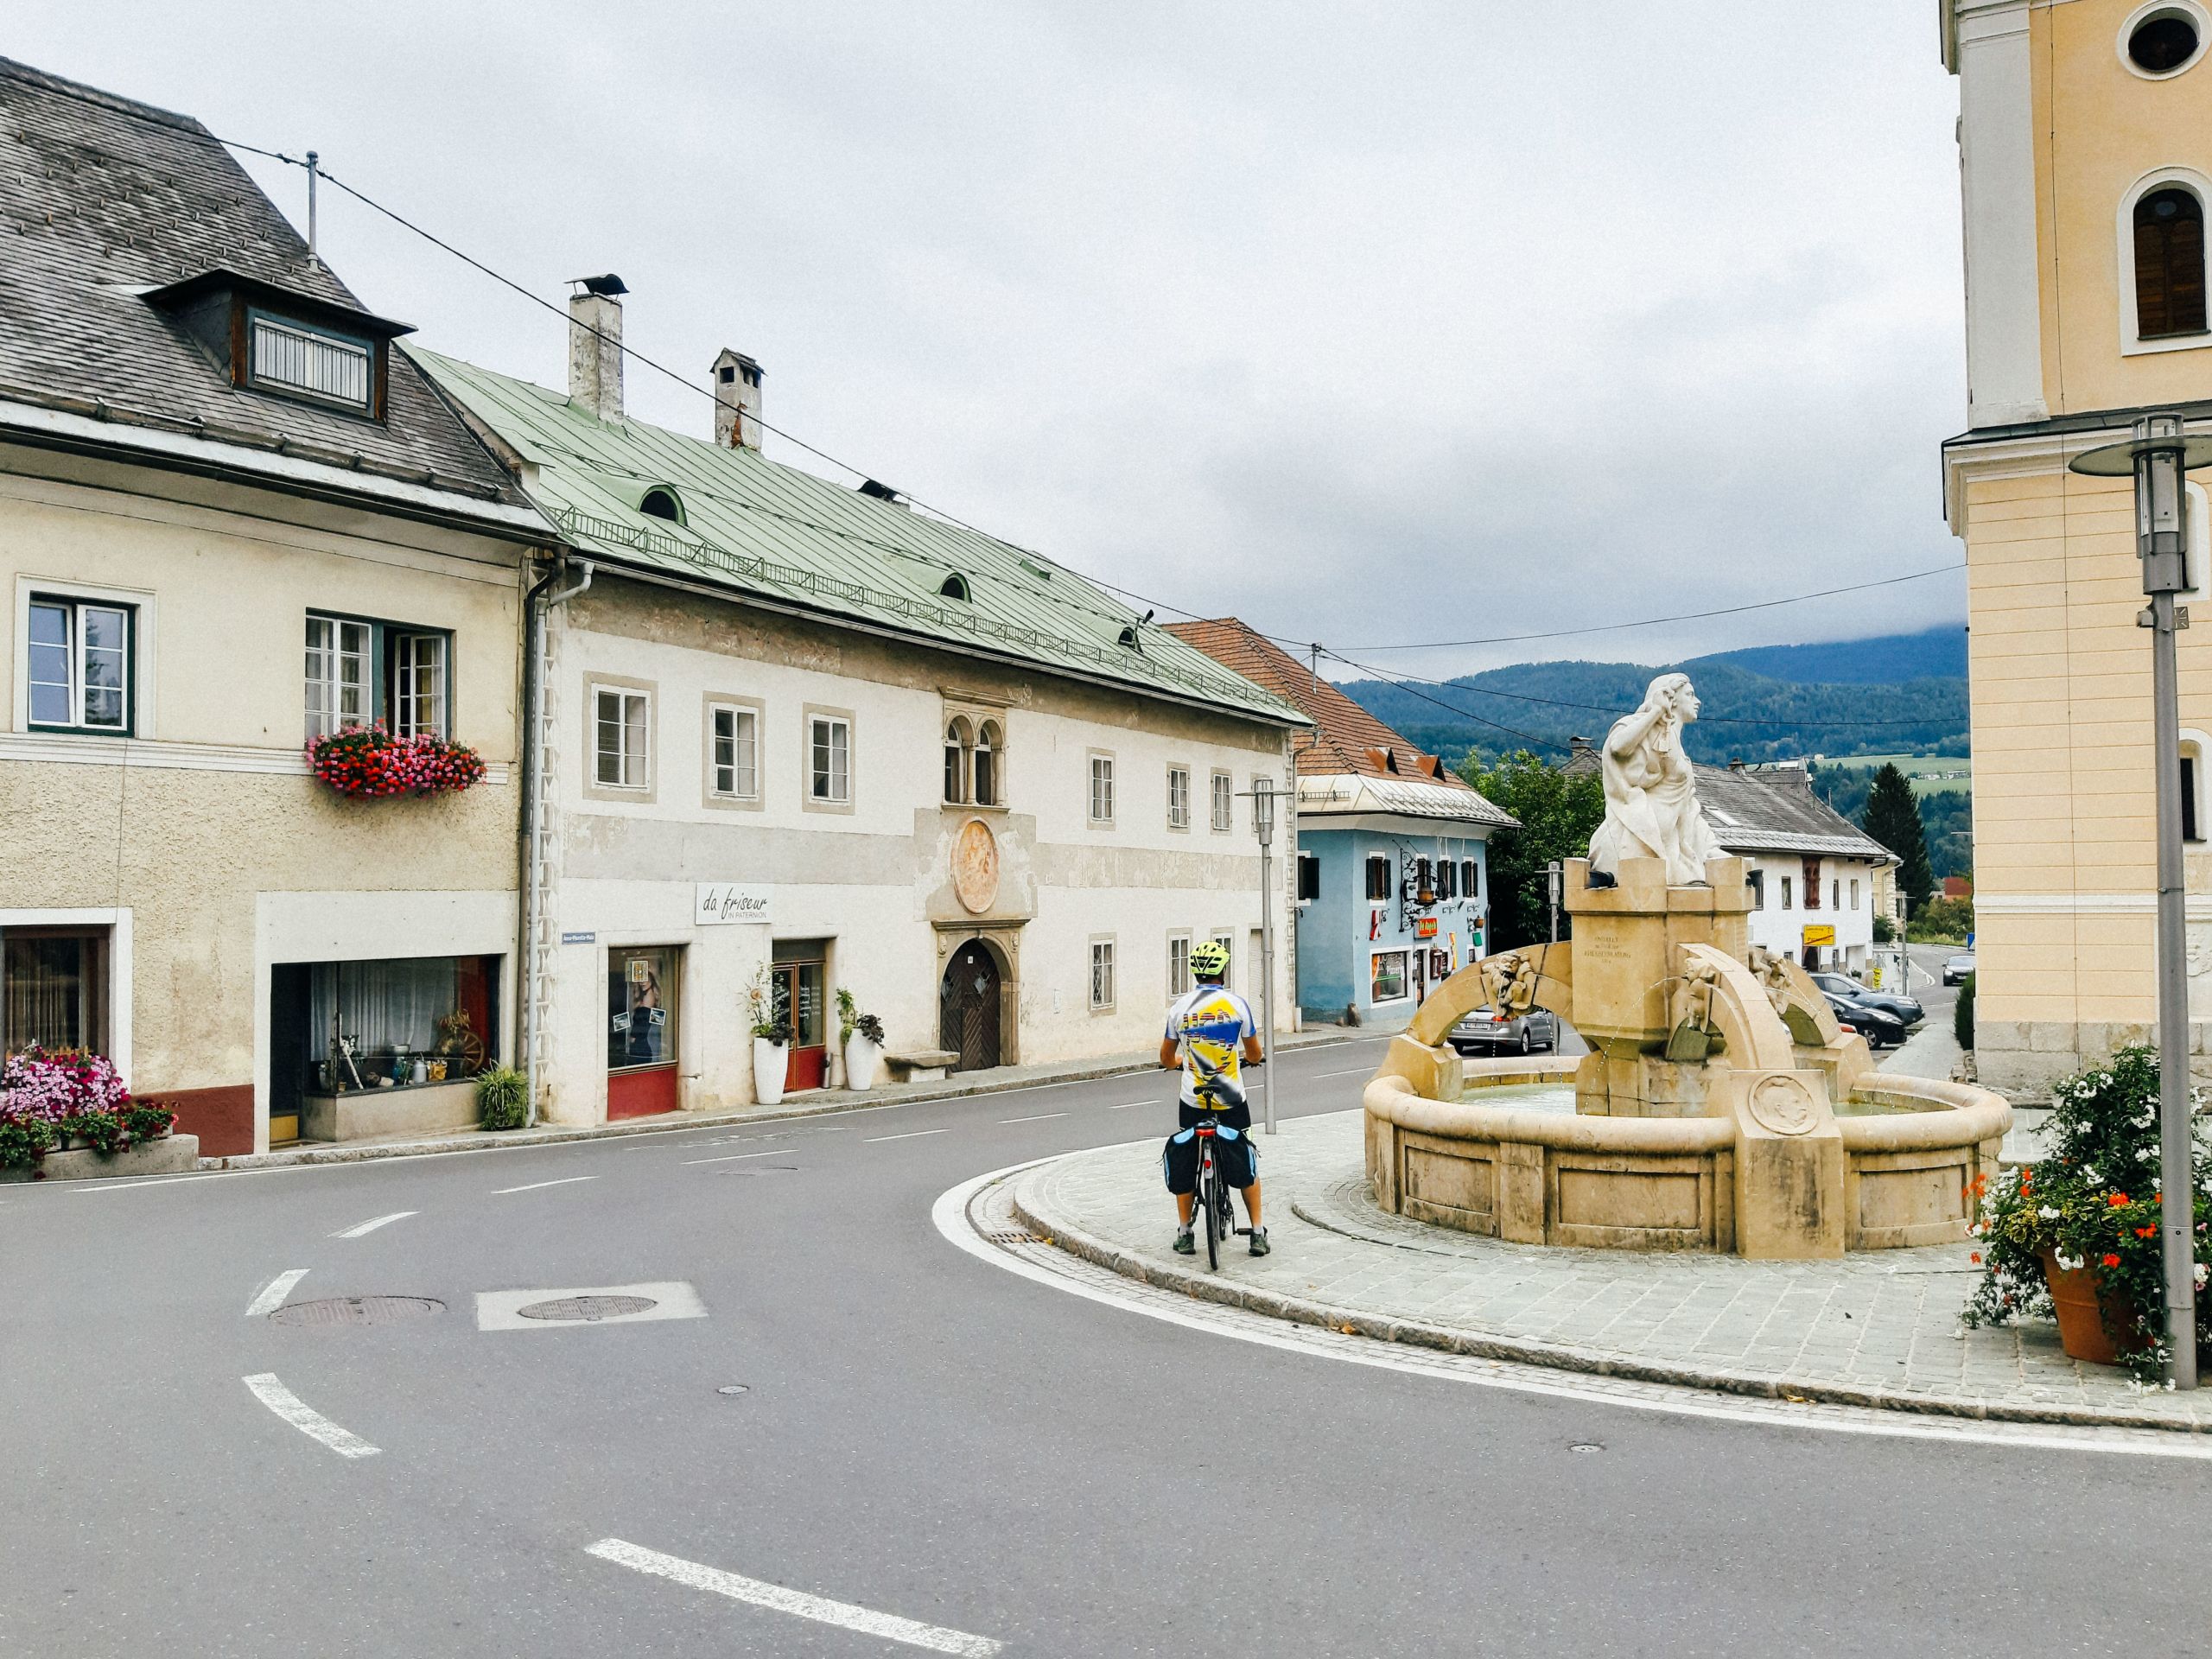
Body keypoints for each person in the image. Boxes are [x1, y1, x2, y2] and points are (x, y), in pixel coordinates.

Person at [1159, 939, 1268, 1256]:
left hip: (1192, 1099)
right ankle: (1258, 1233)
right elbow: (1255, 1052)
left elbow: (1166, 1057)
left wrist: (1180, 1063)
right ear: (1223, 971)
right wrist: (1247, 1059)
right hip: (1231, 1098)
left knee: (1187, 1160)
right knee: (1246, 1158)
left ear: (1195, 972)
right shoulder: (1237, 1006)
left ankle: (1185, 1232)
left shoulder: (1179, 1009)